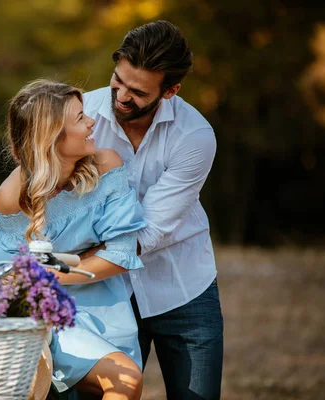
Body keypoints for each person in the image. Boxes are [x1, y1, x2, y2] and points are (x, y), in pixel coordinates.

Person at [81, 20, 224, 399]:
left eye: (138, 92)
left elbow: (148, 233)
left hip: (183, 288)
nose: (122, 96)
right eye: (118, 81)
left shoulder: (195, 136)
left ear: (171, 91)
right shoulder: (82, 115)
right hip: (106, 292)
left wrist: (67, 269)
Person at [0, 79, 146, 400]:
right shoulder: (11, 196)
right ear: (51, 136)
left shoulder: (106, 165)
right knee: (125, 379)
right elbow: (7, 276)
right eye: (79, 118)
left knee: (122, 381)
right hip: (46, 318)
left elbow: (121, 254)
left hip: (107, 311)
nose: (92, 122)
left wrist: (47, 274)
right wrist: (91, 254)